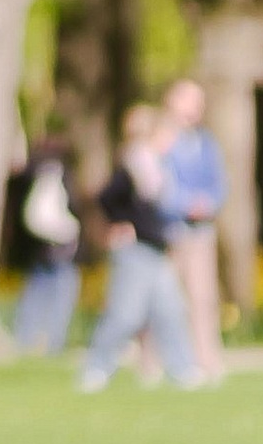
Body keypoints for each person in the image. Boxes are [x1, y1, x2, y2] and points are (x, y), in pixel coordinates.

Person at [79, 102, 200, 392]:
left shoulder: (158, 168)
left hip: (156, 251)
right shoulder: (135, 166)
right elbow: (107, 198)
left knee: (171, 310)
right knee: (125, 314)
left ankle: (183, 369)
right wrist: (121, 223)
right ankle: (96, 368)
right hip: (135, 251)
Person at [158, 75, 228, 382]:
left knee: (202, 297)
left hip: (200, 232)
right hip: (168, 231)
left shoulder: (206, 143)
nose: (195, 109)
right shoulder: (161, 140)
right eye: (189, 101)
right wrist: (184, 202)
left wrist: (207, 203)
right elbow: (156, 184)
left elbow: (219, 183)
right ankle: (158, 361)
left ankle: (207, 358)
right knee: (163, 298)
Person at [10, 136, 83, 353]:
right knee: (61, 294)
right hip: (57, 248)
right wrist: (68, 232)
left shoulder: (37, 171)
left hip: (43, 249)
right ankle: (50, 344)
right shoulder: (53, 172)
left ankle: (26, 340)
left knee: (36, 293)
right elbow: (42, 215)